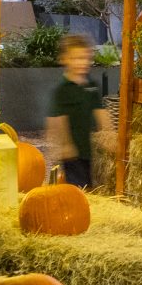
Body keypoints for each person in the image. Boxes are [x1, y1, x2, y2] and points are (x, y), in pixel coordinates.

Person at [44, 35, 101, 189]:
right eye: (77, 58)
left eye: (86, 58)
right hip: (72, 152)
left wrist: (109, 132)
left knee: (90, 185)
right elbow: (57, 119)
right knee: (78, 188)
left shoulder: (92, 86)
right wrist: (66, 144)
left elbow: (100, 110)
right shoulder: (62, 89)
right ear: (64, 59)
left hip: (88, 149)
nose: (82, 62)